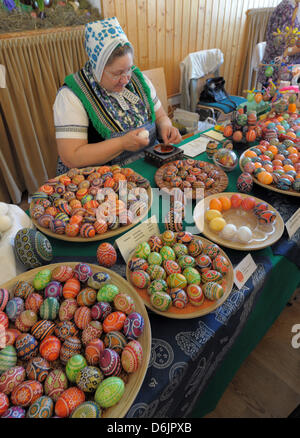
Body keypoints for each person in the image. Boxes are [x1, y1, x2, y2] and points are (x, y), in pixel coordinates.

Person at [53, 17, 181, 175]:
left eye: (128, 69)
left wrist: (167, 127)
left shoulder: (138, 80)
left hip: (148, 166)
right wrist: (122, 144)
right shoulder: (71, 96)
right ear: (97, 68)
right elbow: (71, 157)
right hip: (101, 181)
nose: (126, 79)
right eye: (117, 73)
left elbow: (161, 117)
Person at [257, 0, 300, 87]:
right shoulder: (287, 9)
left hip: (282, 68)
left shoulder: (290, 6)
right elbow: (284, 46)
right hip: (277, 73)